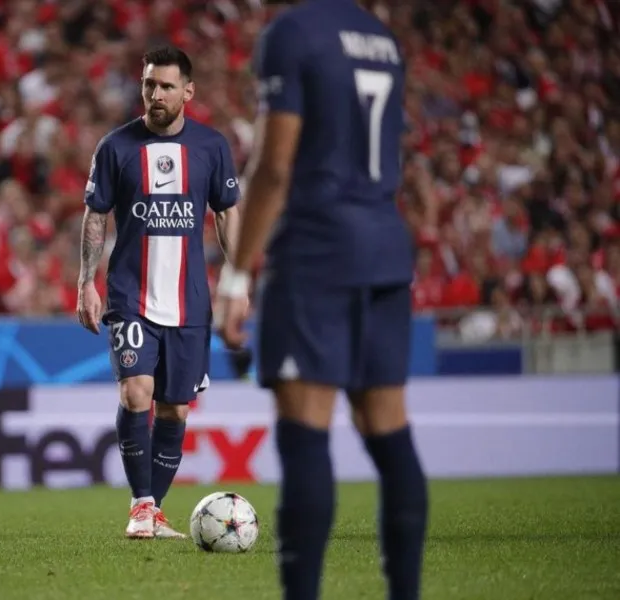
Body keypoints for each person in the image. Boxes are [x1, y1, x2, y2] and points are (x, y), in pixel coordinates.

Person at [216, 1, 429, 599]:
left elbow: (275, 168)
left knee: (305, 430)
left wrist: (237, 277)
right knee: (389, 431)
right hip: (385, 245)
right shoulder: (383, 38)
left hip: (317, 252)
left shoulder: (293, 34)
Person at [76, 46, 241, 540]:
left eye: (166, 86)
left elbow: (227, 212)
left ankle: (156, 510)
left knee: (174, 409)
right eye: (149, 84)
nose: (156, 94)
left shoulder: (211, 147)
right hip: (131, 294)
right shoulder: (116, 147)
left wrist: (240, 280)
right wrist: (87, 280)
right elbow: (96, 215)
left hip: (189, 301)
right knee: (136, 391)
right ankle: (141, 505)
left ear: (188, 91)